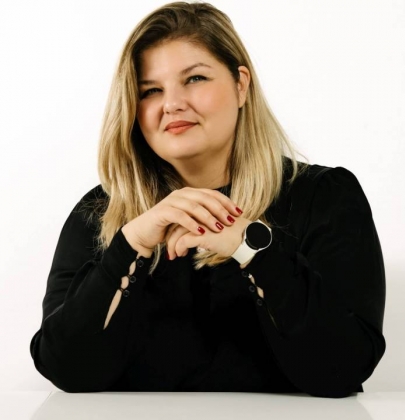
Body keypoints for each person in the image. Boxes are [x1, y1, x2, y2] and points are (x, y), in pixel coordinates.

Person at [30, 1, 386, 397]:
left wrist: (251, 248)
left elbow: (343, 369)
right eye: (151, 90)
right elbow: (66, 371)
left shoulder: (325, 197)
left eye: (195, 78)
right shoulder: (99, 213)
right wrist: (131, 246)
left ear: (241, 85)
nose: (172, 104)